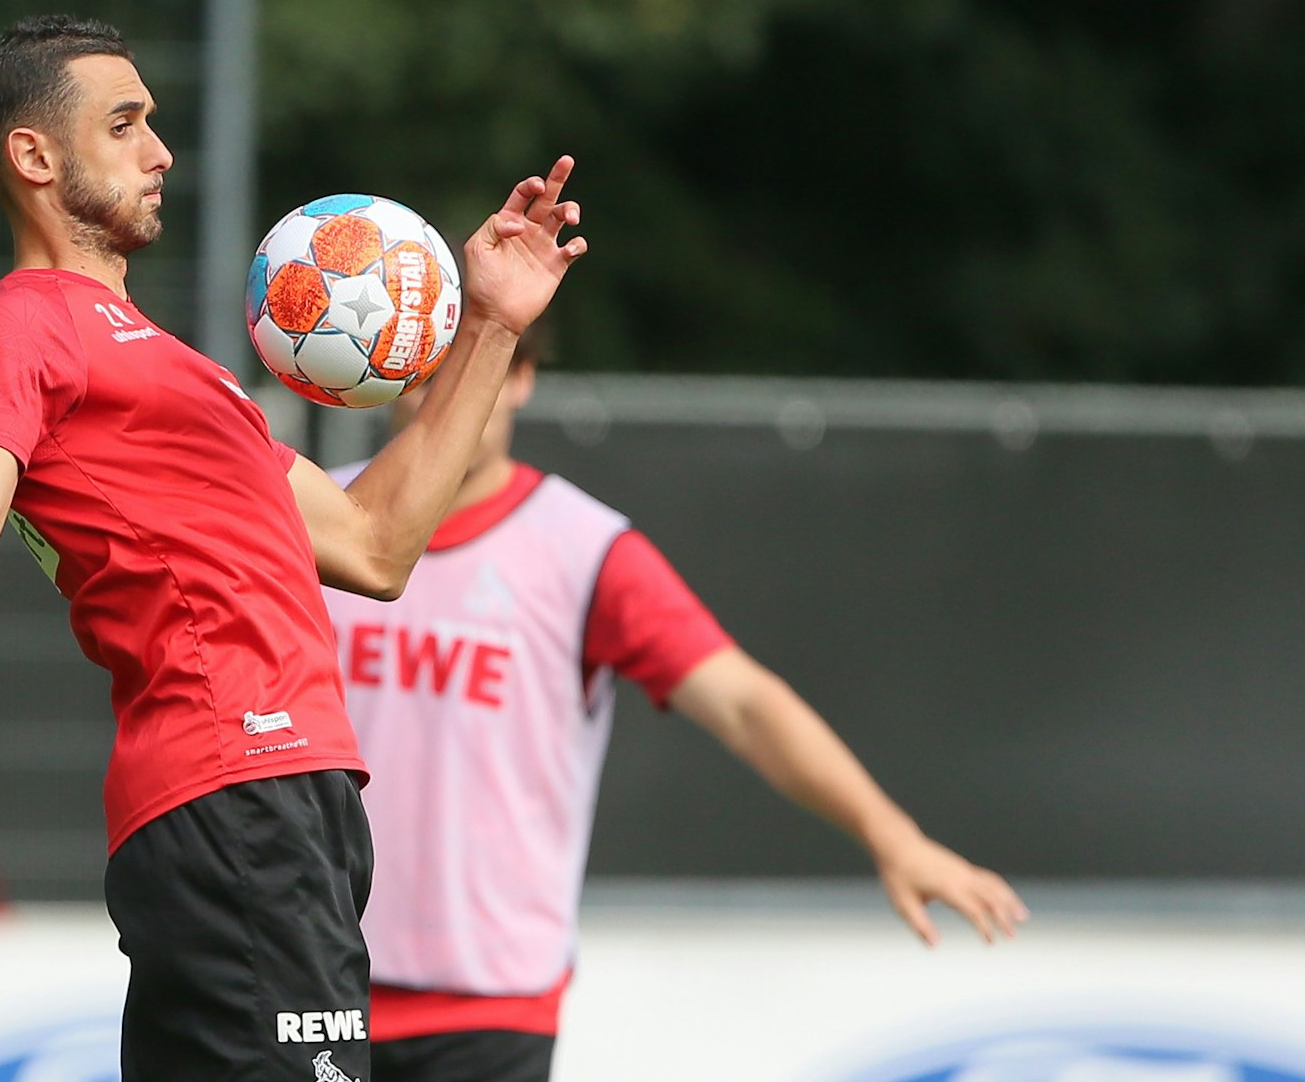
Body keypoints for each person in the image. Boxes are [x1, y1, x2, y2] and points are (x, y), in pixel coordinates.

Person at [0, 15, 587, 1082]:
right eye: (125, 125)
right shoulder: (21, 324)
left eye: (154, 124)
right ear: (35, 157)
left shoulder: (183, 373)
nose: (161, 152)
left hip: (285, 795)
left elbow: (376, 545)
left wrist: (491, 327)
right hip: (237, 780)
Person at [318, 327, 1031, 1082]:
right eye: (431, 368)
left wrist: (892, 836)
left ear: (521, 375)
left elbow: (745, 703)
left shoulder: (581, 548)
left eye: (480, 363)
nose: (453, 393)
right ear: (388, 372)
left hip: (489, 1006)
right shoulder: (313, 521)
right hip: (312, 971)